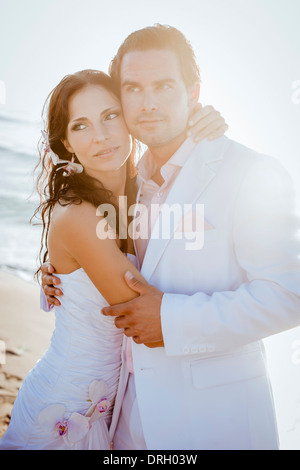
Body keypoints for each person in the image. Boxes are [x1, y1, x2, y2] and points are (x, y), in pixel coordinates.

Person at [43, 24, 300, 450]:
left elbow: (291, 294)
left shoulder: (249, 172)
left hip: (213, 422)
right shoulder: (126, 182)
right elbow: (96, 254)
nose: (148, 103)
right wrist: (56, 278)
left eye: (164, 86)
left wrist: (170, 320)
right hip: (121, 416)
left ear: (193, 92)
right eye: (133, 89)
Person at [0, 68, 225, 450]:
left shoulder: (144, 192)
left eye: (110, 116)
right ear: (67, 143)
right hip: (66, 408)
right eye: (81, 126)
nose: (101, 136)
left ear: (129, 118)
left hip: (115, 403)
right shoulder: (78, 215)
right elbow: (142, 313)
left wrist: (200, 132)